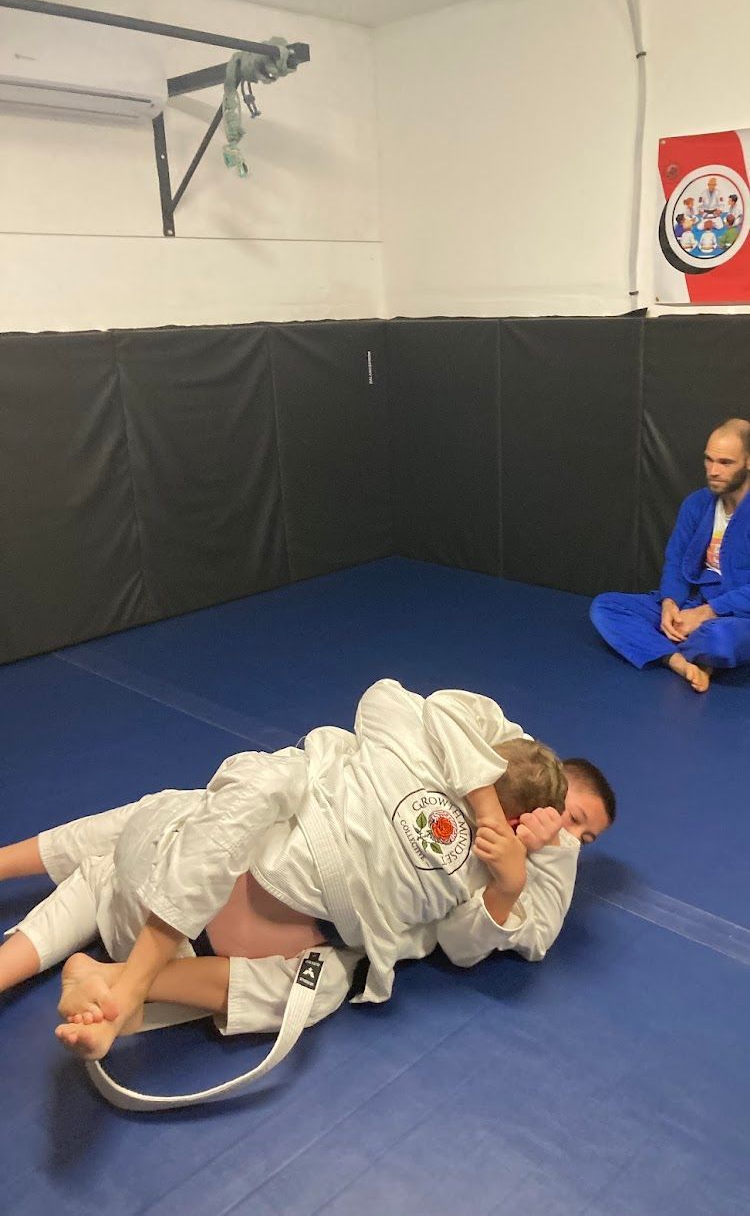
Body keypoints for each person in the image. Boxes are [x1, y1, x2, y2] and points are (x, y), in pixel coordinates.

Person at [0, 679, 615, 1066]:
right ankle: (86, 962)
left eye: (583, 839)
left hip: (233, 951)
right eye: (574, 818)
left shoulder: (504, 867)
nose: (569, 835)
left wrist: (514, 877)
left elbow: (466, 943)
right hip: (200, 861)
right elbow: (392, 698)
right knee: (227, 801)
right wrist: (486, 801)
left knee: (316, 991)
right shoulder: (444, 744)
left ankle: (112, 987)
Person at [591, 418, 750, 692]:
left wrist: (708, 612)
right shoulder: (697, 504)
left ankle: (681, 647)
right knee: (606, 608)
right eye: (708, 460)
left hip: (735, 612)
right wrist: (670, 604)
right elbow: (676, 560)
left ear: (748, 462)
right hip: (693, 599)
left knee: (721, 640)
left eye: (725, 463)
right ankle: (679, 661)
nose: (713, 470)